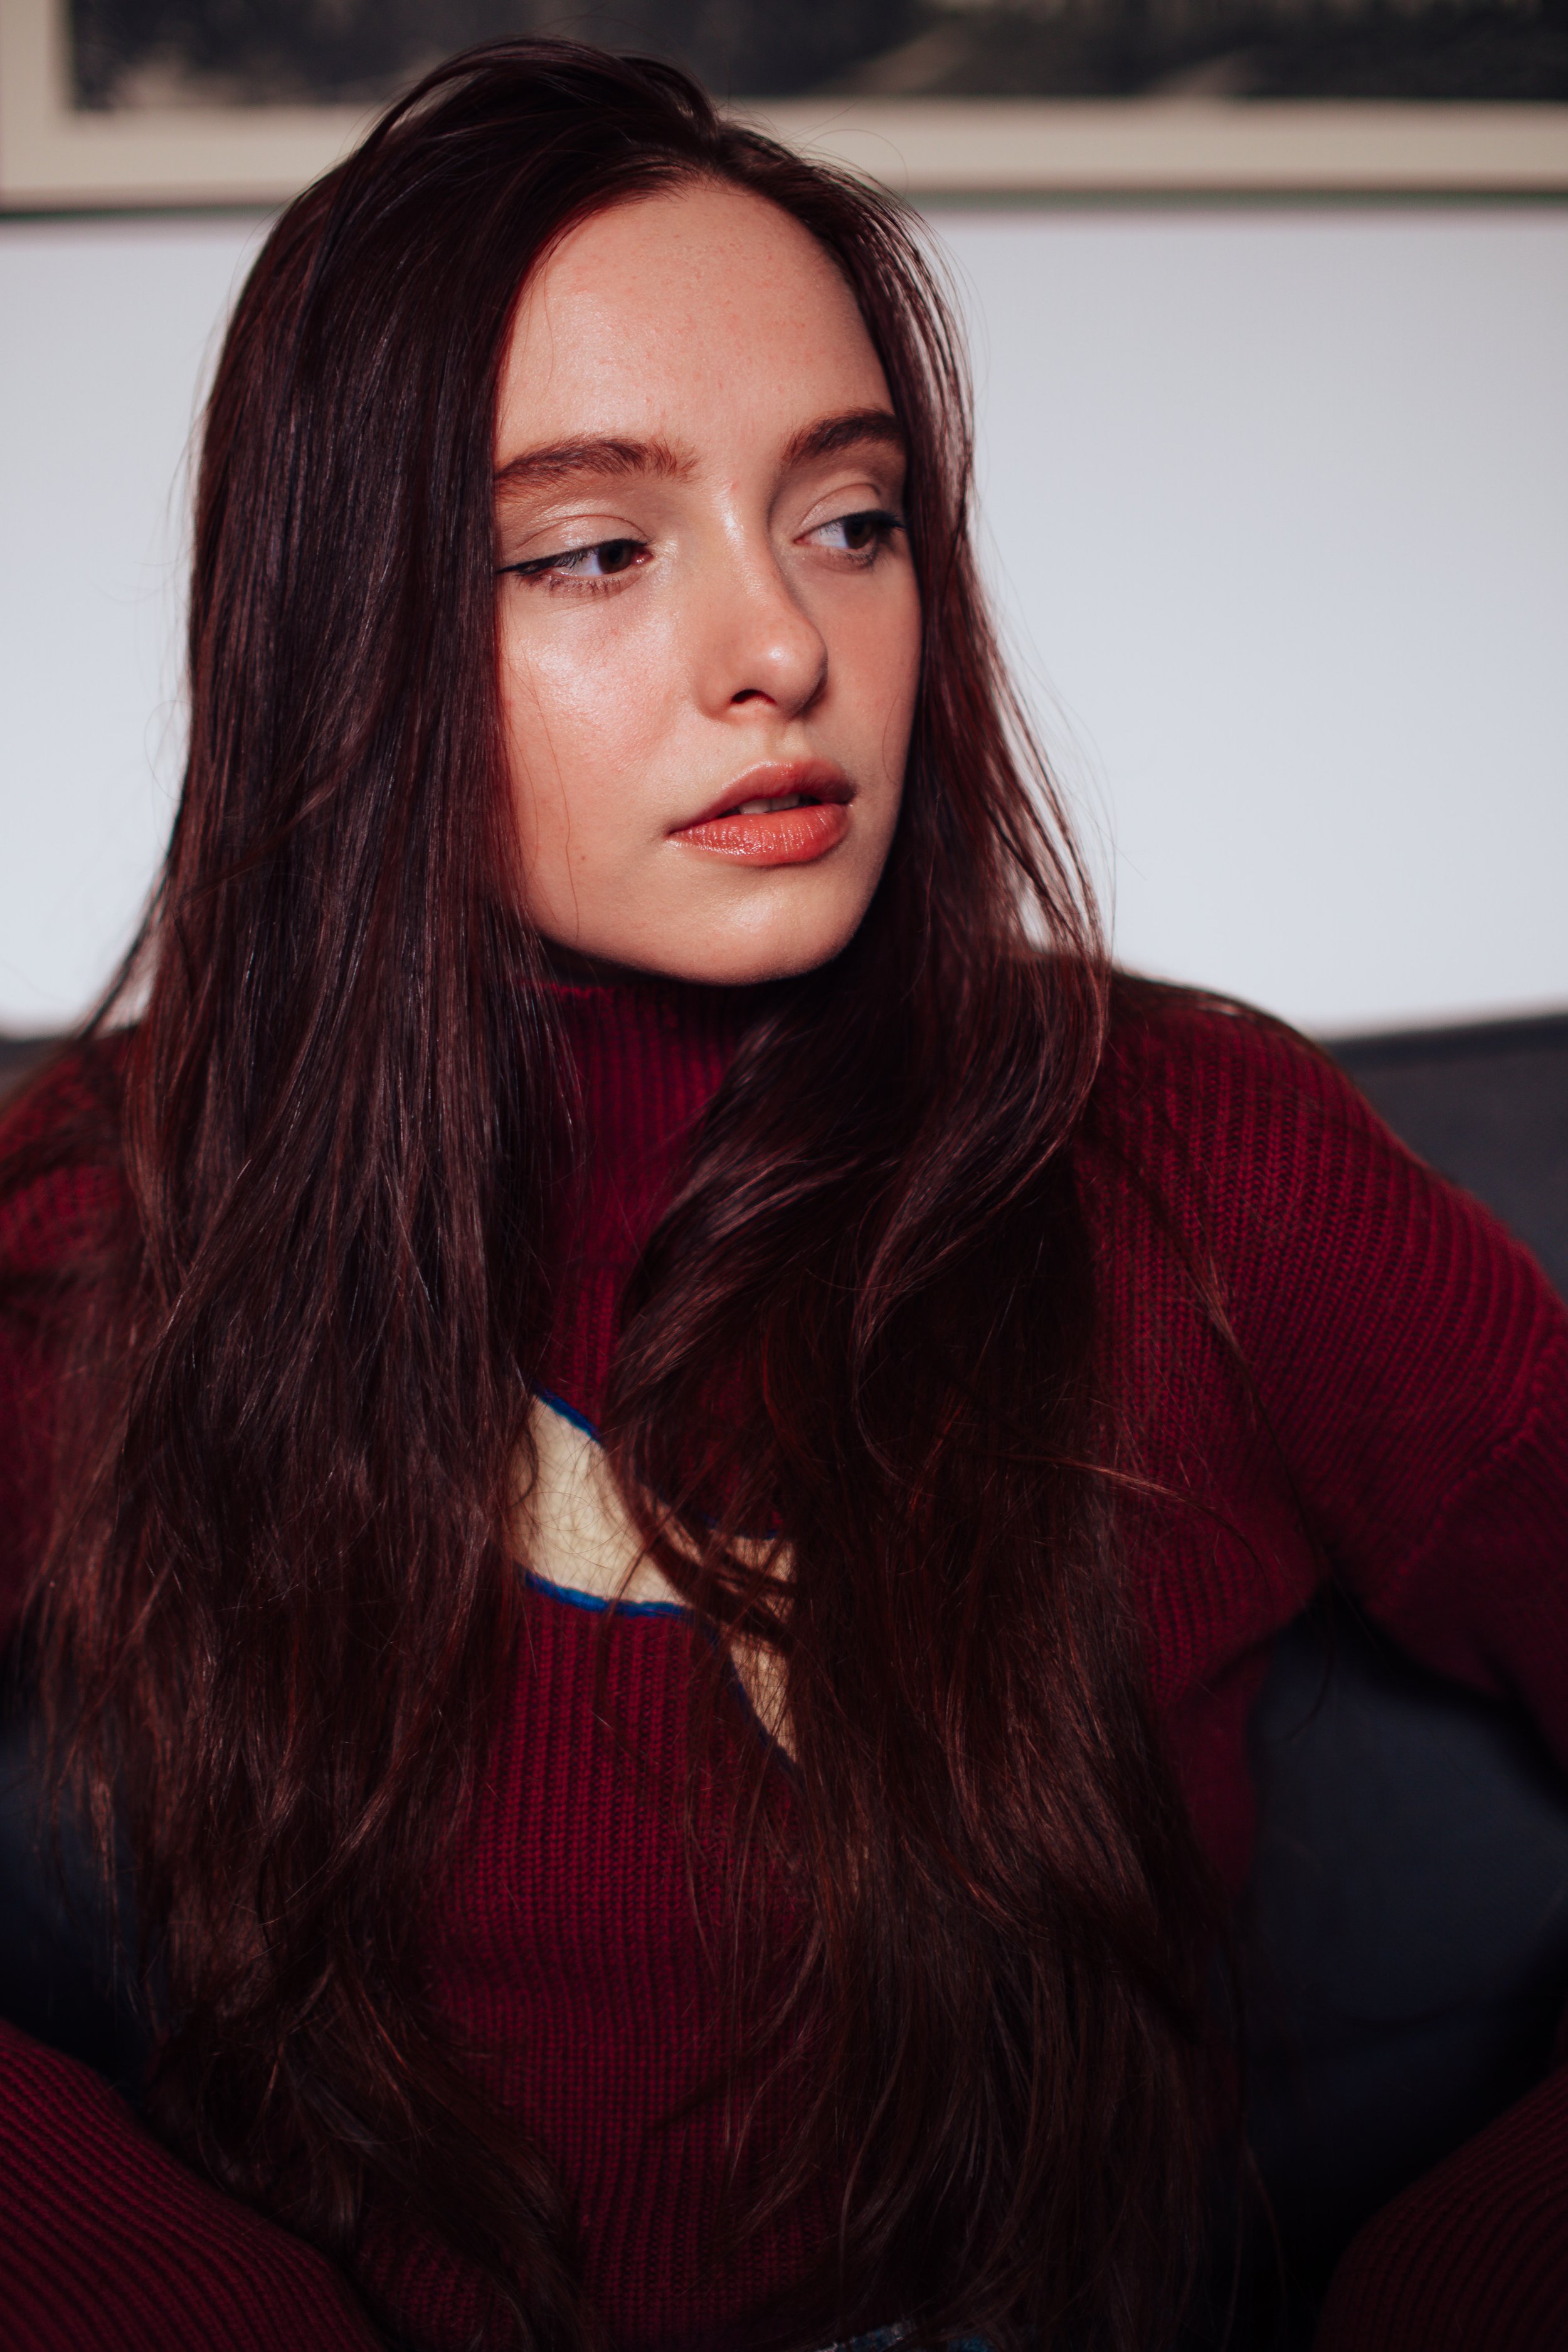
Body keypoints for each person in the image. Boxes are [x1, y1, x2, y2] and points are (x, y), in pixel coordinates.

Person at [0, 40, 1564, 2352]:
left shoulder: (1194, 1155)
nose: (785, 652)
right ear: (341, 633)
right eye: (594, 550)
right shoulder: (115, 1213)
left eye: (849, 519)